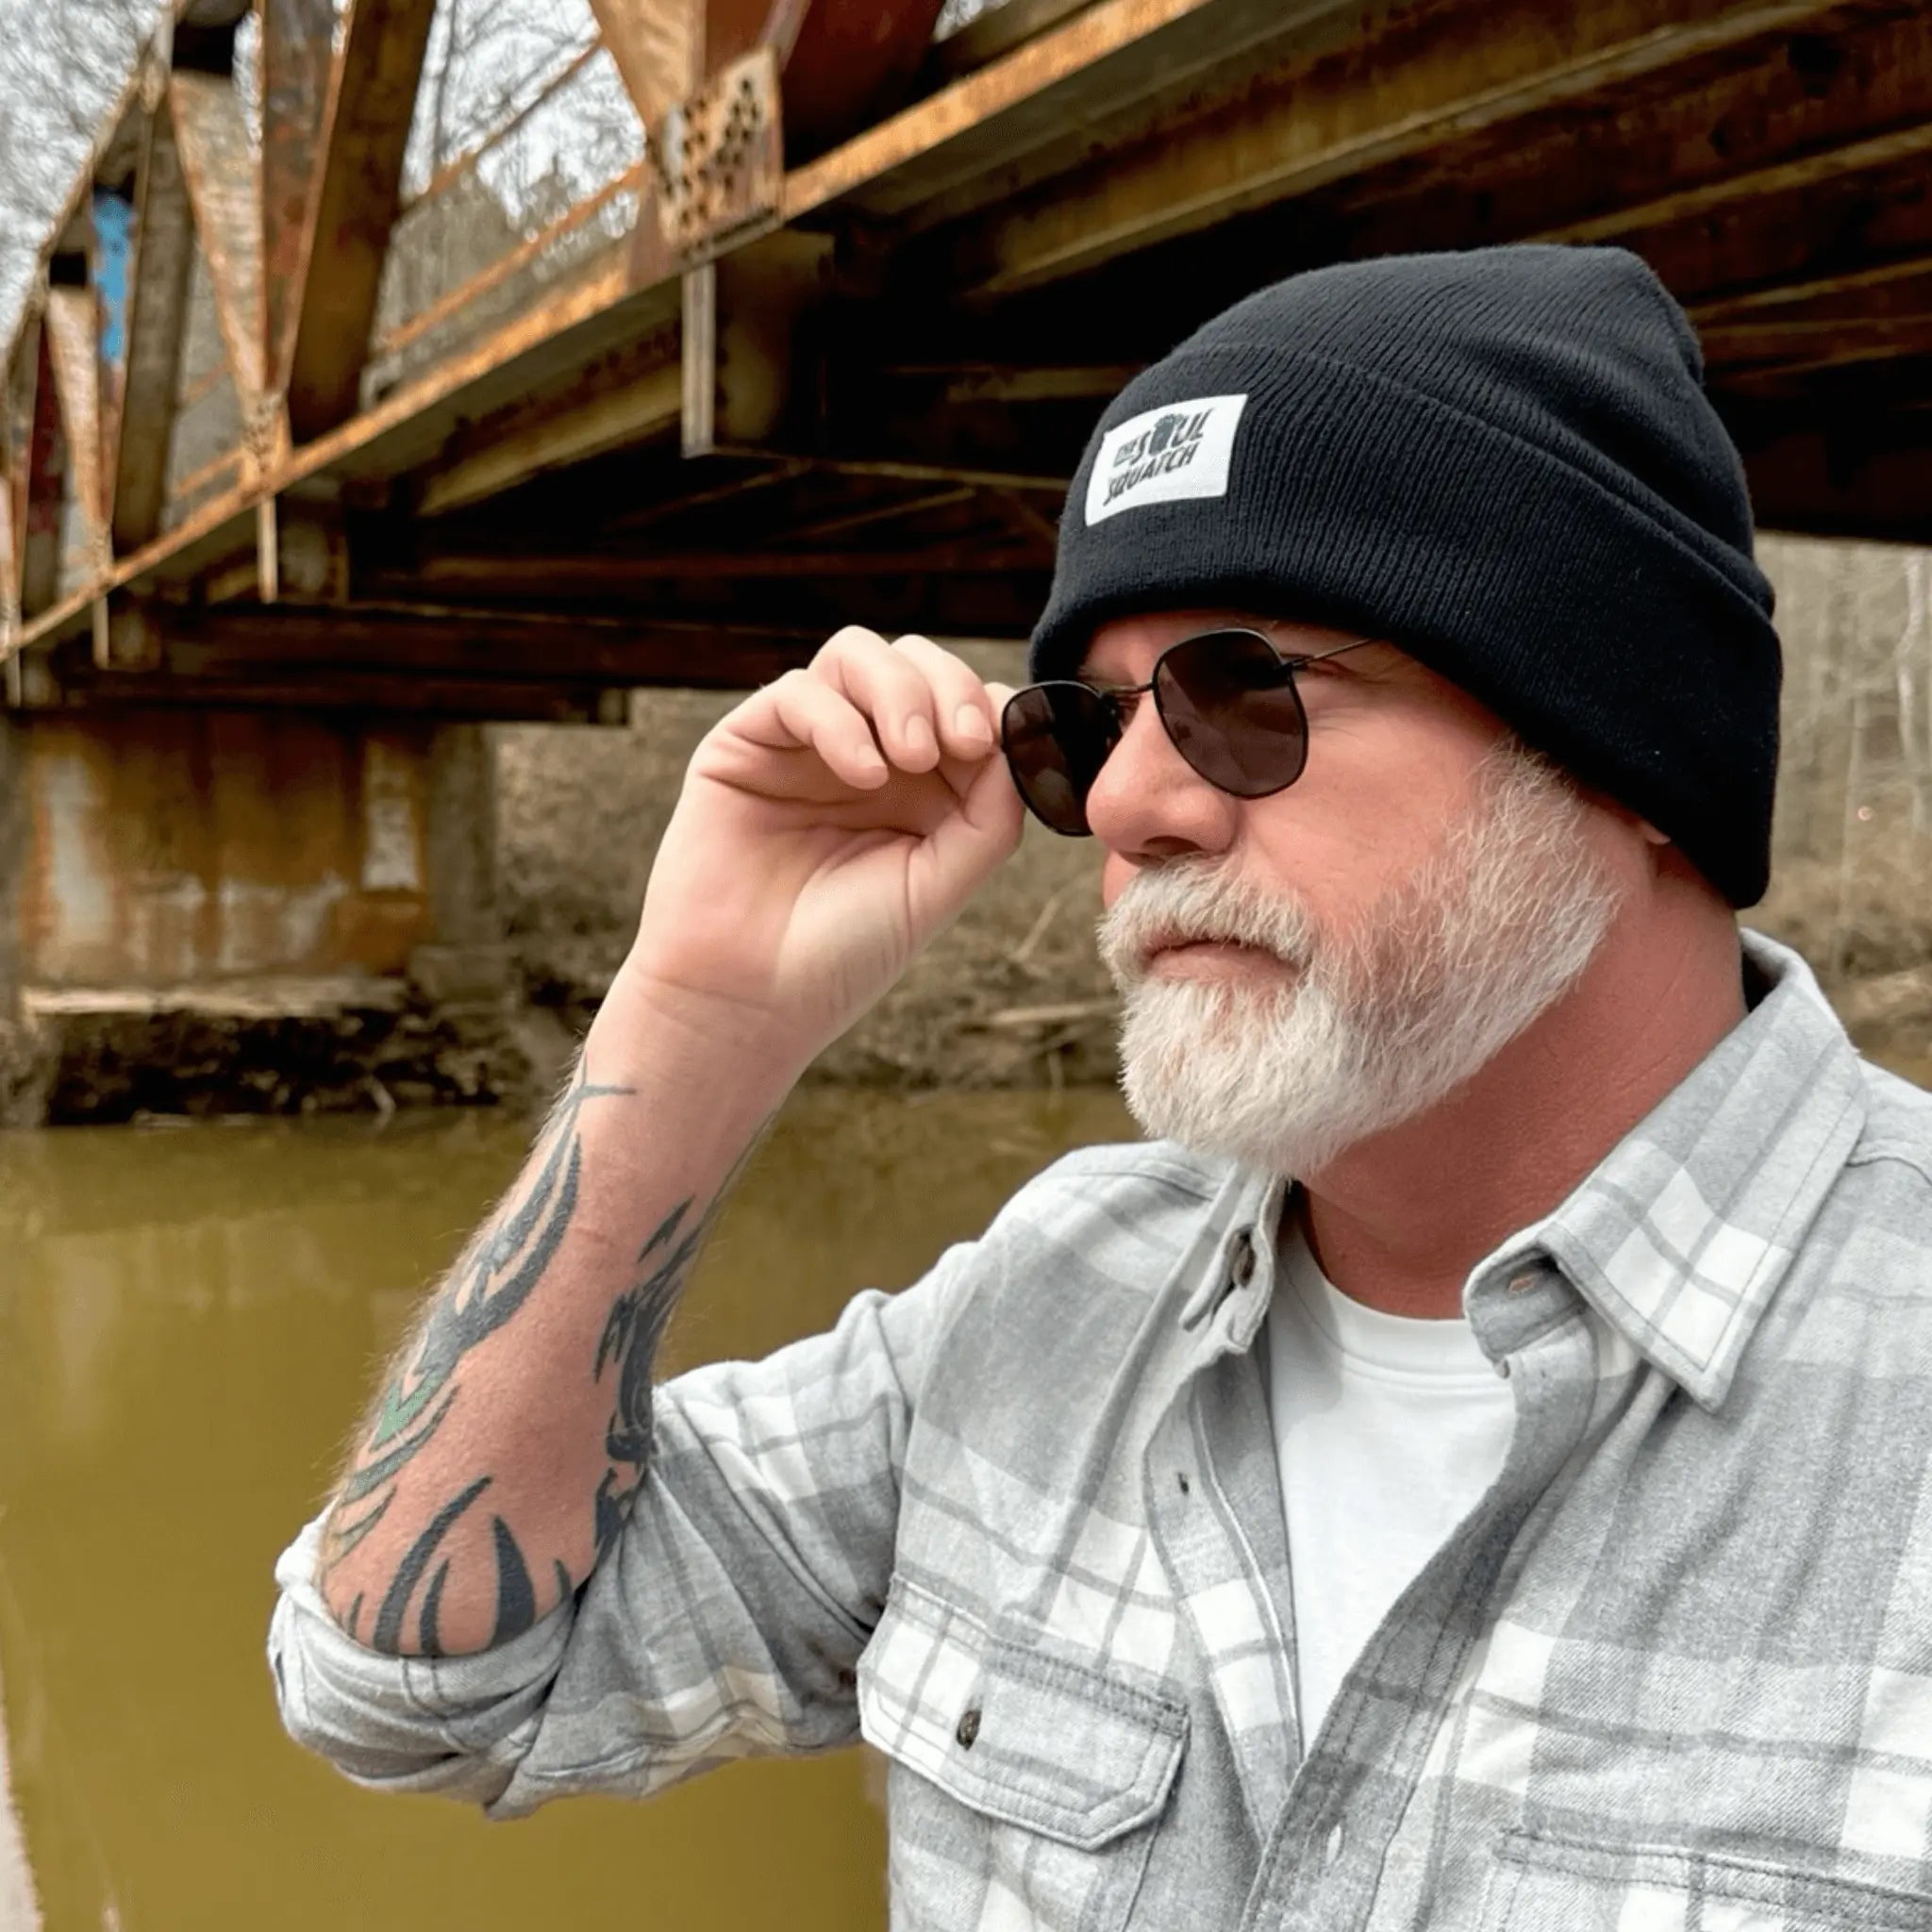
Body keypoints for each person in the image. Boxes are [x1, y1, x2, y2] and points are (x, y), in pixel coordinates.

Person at [269, 245, 1932, 1930]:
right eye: (1085, 726)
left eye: (1244, 694)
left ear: (1628, 746)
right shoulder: (1053, 1295)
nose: (1135, 805)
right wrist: (696, 1020)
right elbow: (413, 1691)